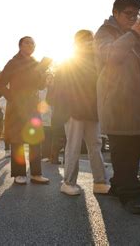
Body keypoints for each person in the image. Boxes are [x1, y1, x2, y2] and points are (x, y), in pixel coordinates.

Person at [94, 0, 140, 214]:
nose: (133, 18)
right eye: (128, 14)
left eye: (136, 14)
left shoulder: (138, 36)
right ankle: (131, 195)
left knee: (135, 147)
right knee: (125, 151)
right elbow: (110, 55)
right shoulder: (104, 33)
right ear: (115, 13)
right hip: (117, 101)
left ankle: (118, 186)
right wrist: (133, 34)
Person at [57, 30, 109, 196]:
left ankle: (100, 182)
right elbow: (59, 89)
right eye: (86, 40)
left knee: (96, 146)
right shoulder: (68, 62)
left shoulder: (96, 60)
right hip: (73, 111)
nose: (89, 42)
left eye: (91, 39)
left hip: (92, 111)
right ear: (77, 42)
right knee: (73, 147)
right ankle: (68, 183)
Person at [0, 36, 51, 185]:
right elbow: (0, 84)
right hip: (17, 106)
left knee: (35, 139)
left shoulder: (36, 64)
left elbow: (39, 86)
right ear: (20, 45)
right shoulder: (13, 62)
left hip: (32, 105)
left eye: (33, 43)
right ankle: (19, 174)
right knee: (17, 140)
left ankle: (36, 173)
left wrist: (44, 73)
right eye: (27, 42)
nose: (30, 45)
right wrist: (12, 98)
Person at [39, 74, 54, 161]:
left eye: (51, 79)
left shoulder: (55, 90)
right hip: (43, 117)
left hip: (52, 117)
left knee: (50, 137)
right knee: (44, 137)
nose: (50, 80)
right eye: (48, 78)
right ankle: (44, 155)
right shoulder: (41, 91)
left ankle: (49, 155)